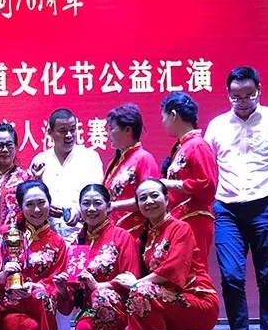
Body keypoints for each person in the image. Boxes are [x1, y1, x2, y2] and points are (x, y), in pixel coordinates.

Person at [204, 66, 268, 330]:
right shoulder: (217, 126)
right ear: (228, 94)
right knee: (231, 276)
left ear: (259, 89)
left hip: (266, 205)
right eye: (236, 97)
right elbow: (205, 167)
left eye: (249, 95)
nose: (243, 101)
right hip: (227, 209)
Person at [114, 179, 219, 330]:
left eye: (154, 195)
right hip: (164, 301)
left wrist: (136, 283)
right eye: (143, 198)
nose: (149, 201)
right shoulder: (144, 237)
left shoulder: (180, 228)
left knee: (140, 291)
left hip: (196, 299)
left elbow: (172, 269)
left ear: (167, 199)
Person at [53, 184, 139, 330]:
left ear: (108, 206)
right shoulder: (77, 243)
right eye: (86, 204)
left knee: (101, 296)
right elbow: (73, 294)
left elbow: (130, 280)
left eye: (97, 203)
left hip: (119, 305)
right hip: (90, 310)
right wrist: (63, 290)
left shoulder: (122, 237)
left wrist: (98, 286)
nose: (91, 209)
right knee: (84, 329)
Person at [0, 181, 67, 330]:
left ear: (50, 203)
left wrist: (36, 286)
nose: (37, 209)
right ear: (20, 206)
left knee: (41, 297)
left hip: (40, 303)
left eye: (41, 203)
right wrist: (3, 275)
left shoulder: (58, 242)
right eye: (30, 204)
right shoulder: (5, 234)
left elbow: (56, 279)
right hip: (9, 307)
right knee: (26, 327)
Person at [159, 93, 217, 268]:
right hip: (182, 219)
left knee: (194, 270)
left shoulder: (197, 145)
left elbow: (208, 185)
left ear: (173, 115)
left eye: (163, 116)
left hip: (194, 219)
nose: (162, 122)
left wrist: (171, 184)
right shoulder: (183, 146)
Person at [30, 108, 104, 243]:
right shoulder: (40, 160)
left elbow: (97, 195)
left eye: (73, 129)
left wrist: (79, 211)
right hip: (48, 236)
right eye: (63, 131)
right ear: (50, 132)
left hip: (83, 233)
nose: (69, 135)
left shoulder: (90, 157)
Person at [103, 103, 159, 239]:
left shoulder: (144, 158)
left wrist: (114, 206)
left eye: (111, 128)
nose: (108, 133)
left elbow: (149, 199)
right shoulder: (114, 163)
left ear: (128, 130)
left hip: (135, 233)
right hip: (115, 232)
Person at [0, 124, 31, 236]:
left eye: (9, 145)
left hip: (17, 238)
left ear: (15, 147)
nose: (5, 150)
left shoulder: (26, 178)